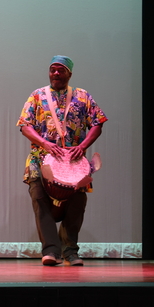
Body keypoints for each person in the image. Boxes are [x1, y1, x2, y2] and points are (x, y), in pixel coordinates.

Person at [17, 55, 107, 266]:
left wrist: (82, 147)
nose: (56, 73)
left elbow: (98, 122)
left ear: (69, 74)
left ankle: (70, 251)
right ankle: (51, 251)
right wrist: (45, 143)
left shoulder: (83, 96)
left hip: (74, 162)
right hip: (40, 159)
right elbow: (24, 125)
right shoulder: (37, 96)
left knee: (77, 204)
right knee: (40, 200)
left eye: (61, 70)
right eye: (53, 69)